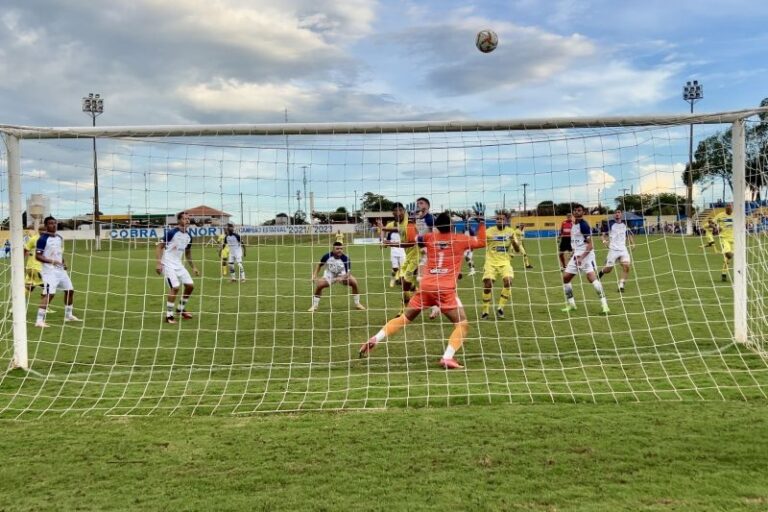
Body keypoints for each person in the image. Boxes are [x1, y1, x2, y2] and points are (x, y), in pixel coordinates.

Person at [360, 211, 487, 370]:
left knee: (404, 319)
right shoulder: (460, 239)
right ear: (452, 225)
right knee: (462, 325)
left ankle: (376, 338)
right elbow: (482, 241)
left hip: (426, 287)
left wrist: (412, 222)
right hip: (445, 289)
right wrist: (481, 222)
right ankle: (447, 358)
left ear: (437, 227)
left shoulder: (429, 238)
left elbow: (412, 239)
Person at [561, 204, 609, 314]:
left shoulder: (584, 225)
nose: (577, 212)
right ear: (573, 213)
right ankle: (571, 304)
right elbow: (578, 242)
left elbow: (590, 245)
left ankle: (604, 305)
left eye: (579, 210)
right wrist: (573, 253)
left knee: (592, 279)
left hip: (586, 256)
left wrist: (581, 258)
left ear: (583, 213)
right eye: (575, 210)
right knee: (566, 278)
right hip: (576, 255)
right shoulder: (573, 224)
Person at [33, 216, 80, 327]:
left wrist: (63, 262)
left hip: (60, 270)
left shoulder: (59, 237)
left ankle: (68, 315)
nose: (53, 225)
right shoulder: (43, 239)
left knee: (70, 291)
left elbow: (58, 253)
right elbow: (38, 256)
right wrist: (52, 261)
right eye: (50, 223)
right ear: (46, 225)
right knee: (50, 294)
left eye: (55, 223)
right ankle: (39, 321)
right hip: (49, 271)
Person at [156, 211, 200, 324]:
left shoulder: (189, 236)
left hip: (179, 265)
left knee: (190, 286)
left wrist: (193, 267)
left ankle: (180, 309)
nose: (187, 220)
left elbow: (188, 253)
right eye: (185, 218)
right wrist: (158, 263)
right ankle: (169, 316)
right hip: (167, 264)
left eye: (188, 219)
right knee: (175, 287)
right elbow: (159, 247)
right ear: (179, 220)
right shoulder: (171, 233)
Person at [481, 211, 518, 319]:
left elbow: (516, 250)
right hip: (490, 262)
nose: (499, 220)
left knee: (508, 281)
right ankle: (485, 310)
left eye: (502, 219)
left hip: (505, 262)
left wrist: (513, 241)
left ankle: (500, 308)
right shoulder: (489, 231)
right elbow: (481, 242)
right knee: (488, 285)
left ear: (506, 220)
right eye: (497, 219)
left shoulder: (511, 232)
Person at [309, 242, 366, 312]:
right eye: (337, 249)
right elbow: (319, 265)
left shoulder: (346, 259)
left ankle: (357, 304)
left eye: (341, 249)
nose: (340, 250)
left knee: (354, 282)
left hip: (342, 275)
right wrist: (314, 275)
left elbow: (348, 273)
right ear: (333, 249)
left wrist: (342, 278)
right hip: (330, 274)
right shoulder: (327, 256)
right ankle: (314, 306)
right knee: (320, 285)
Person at [598, 210, 635, 292]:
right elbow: (602, 235)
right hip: (613, 250)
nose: (617, 214)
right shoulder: (610, 224)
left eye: (619, 212)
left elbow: (628, 234)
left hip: (623, 249)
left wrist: (633, 243)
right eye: (616, 213)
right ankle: (601, 272)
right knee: (608, 270)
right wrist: (604, 241)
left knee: (627, 266)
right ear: (614, 215)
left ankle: (621, 285)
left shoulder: (625, 224)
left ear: (621, 214)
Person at [378, 203, 407, 288]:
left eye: (400, 210)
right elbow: (383, 231)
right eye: (395, 211)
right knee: (395, 268)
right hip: (393, 250)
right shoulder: (391, 223)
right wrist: (382, 240)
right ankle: (394, 277)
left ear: (403, 211)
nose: (397, 212)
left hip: (403, 250)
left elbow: (400, 229)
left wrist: (383, 228)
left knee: (403, 268)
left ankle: (400, 281)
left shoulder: (406, 222)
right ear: (393, 213)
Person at [710, 204, 734, 282]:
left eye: (730, 207)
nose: (729, 208)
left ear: (732, 208)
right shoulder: (720, 215)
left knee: (728, 259)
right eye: (727, 207)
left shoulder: (735, 215)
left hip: (734, 239)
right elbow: (710, 222)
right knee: (728, 255)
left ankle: (724, 273)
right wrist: (716, 227)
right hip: (724, 238)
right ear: (725, 208)